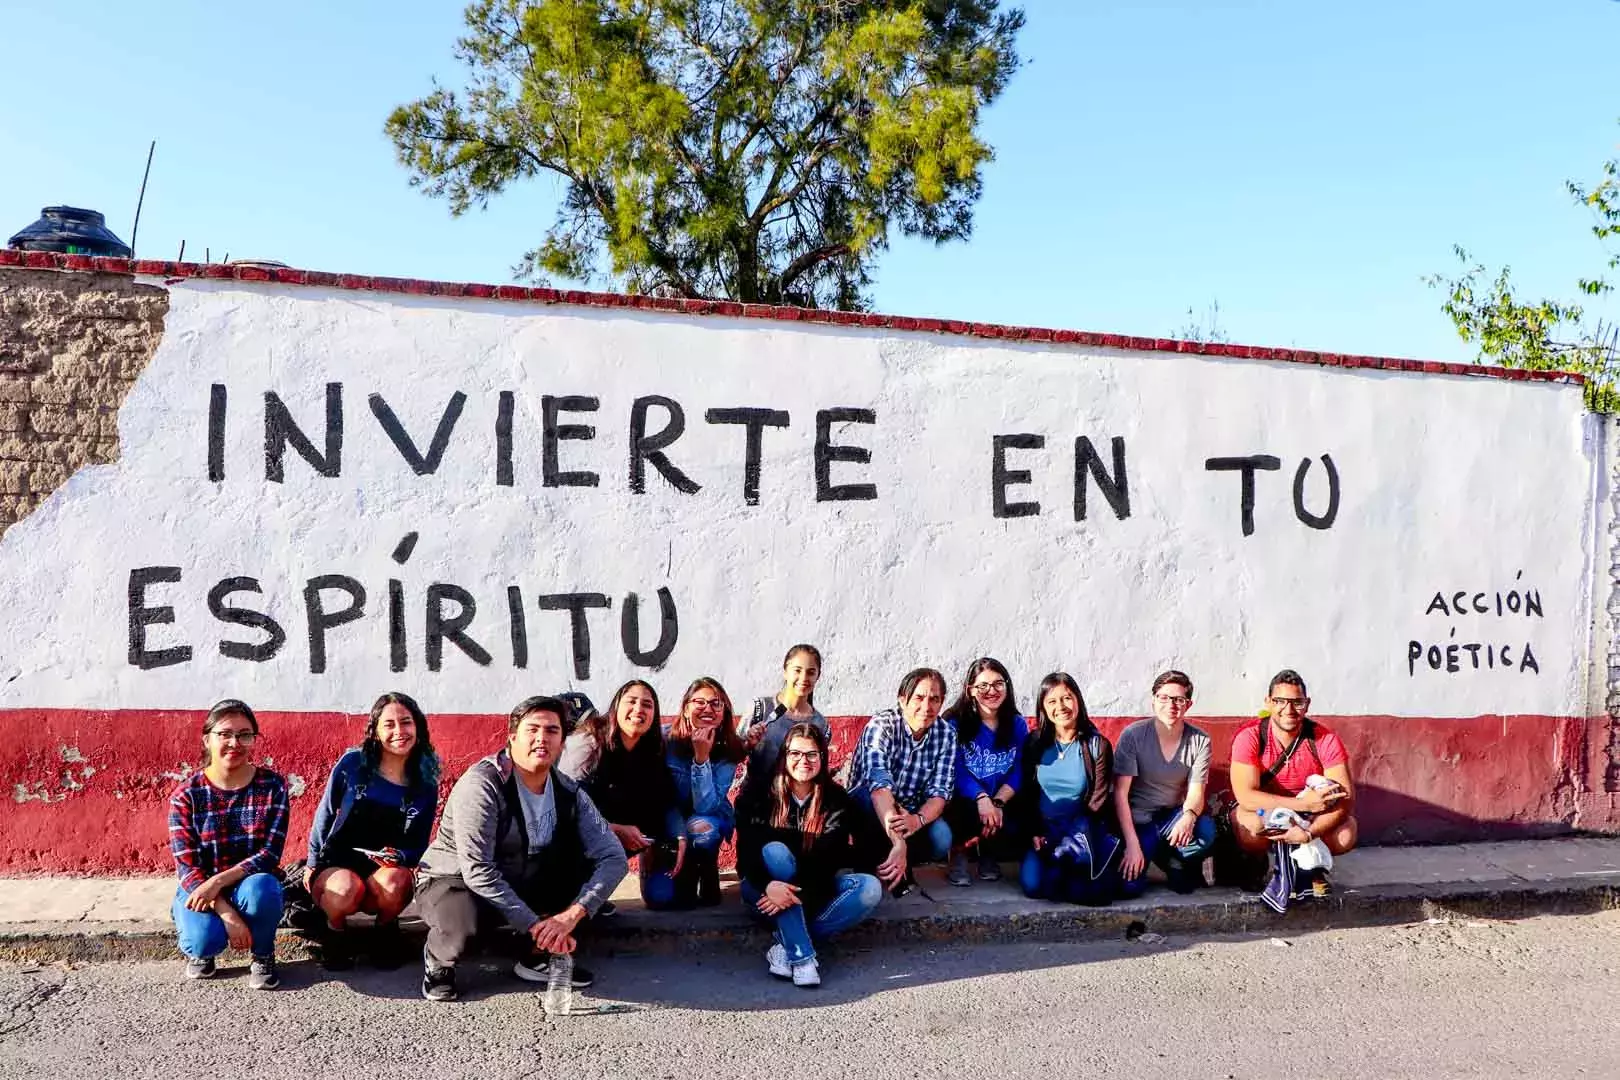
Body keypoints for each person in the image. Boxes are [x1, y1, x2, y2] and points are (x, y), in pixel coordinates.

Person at [416, 695, 628, 1002]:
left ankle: (535, 957)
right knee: (465, 925)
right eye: (533, 730)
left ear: (562, 741)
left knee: (580, 866)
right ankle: (438, 959)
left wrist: (571, 915)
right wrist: (535, 925)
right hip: (453, 880)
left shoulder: (568, 791)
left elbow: (614, 857)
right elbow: (478, 871)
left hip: (518, 873)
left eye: (552, 731)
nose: (542, 738)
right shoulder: (483, 784)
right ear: (512, 737)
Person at [735, 723, 883, 987]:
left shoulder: (836, 799)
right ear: (784, 756)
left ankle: (786, 944)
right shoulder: (759, 794)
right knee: (775, 852)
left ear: (822, 757)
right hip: (761, 889)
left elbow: (827, 862)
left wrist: (790, 895)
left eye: (812, 754)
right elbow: (746, 854)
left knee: (869, 888)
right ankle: (803, 958)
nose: (804, 760)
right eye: (795, 754)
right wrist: (769, 886)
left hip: (815, 888)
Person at [303, 691, 440, 969]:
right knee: (344, 888)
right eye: (389, 724)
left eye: (406, 722)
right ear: (375, 731)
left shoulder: (426, 782)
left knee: (398, 882)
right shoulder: (352, 764)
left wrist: (399, 856)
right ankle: (335, 932)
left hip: (383, 870)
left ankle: (385, 931)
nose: (399, 731)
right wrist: (312, 863)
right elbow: (325, 813)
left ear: (418, 727)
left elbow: (419, 843)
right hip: (337, 865)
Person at [167, 699, 289, 989]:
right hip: (199, 884)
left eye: (245, 734)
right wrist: (225, 910)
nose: (235, 743)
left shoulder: (273, 786)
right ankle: (196, 933)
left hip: (249, 882)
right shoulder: (185, 796)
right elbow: (187, 866)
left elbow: (269, 854)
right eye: (225, 734)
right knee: (202, 942)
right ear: (207, 740)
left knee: (265, 888)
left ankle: (262, 953)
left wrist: (218, 882)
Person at [1229, 669, 1356, 907]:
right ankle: (1259, 861)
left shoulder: (1324, 738)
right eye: (1280, 701)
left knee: (1345, 833)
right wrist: (1303, 804)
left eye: (1297, 702)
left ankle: (1311, 865)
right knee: (1252, 827)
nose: (1288, 710)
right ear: (1268, 702)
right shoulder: (1251, 737)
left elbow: (1345, 799)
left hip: (1310, 816)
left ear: (1306, 704)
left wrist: (1309, 833)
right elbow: (1246, 797)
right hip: (1267, 810)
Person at [560, 680, 688, 909]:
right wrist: (613, 828)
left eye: (647, 705)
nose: (639, 709)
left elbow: (667, 799)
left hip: (615, 834)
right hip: (572, 837)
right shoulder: (588, 743)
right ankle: (576, 894)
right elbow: (563, 806)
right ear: (616, 707)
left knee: (662, 898)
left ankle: (645, 868)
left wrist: (680, 836)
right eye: (632, 701)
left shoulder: (652, 749)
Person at [845, 667, 956, 897]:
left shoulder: (946, 734)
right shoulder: (882, 726)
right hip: (873, 806)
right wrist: (899, 841)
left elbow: (940, 793)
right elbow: (878, 787)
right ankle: (876, 865)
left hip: (911, 811)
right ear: (903, 699)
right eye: (919, 697)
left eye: (934, 699)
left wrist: (916, 821)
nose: (926, 707)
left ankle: (893, 864)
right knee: (866, 800)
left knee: (942, 838)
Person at [1014, 673, 1121, 905]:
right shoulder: (1035, 743)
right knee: (1033, 886)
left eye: (1067, 698)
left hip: (1080, 831)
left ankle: (1071, 874)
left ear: (1078, 701)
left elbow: (1098, 800)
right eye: (1052, 701)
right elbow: (1028, 793)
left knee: (1068, 879)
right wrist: (1035, 830)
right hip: (1045, 830)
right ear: (1043, 707)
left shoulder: (1097, 745)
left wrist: (1072, 833)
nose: (1061, 707)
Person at [1114, 670, 1216, 897]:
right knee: (1128, 888)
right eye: (1164, 697)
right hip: (1139, 822)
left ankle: (1175, 858)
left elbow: (1196, 791)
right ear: (1153, 701)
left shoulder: (1199, 740)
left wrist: (1188, 817)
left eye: (1179, 699)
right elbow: (1120, 795)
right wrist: (1132, 845)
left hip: (1172, 818)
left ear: (1188, 704)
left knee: (1206, 831)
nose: (1171, 705)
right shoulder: (1133, 736)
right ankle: (1159, 855)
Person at [941, 657, 1028, 887]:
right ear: (970, 690)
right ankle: (959, 852)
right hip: (966, 798)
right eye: (983, 686)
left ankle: (989, 851)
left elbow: (1019, 768)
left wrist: (997, 801)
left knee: (1020, 808)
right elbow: (955, 768)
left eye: (998, 683)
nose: (992, 690)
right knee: (959, 805)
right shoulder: (954, 723)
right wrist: (981, 798)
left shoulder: (1017, 724)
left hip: (1000, 796)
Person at [664, 677, 745, 907]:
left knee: (701, 827)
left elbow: (705, 807)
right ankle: (692, 870)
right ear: (686, 707)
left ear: (724, 712)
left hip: (709, 819)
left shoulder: (729, 747)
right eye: (699, 702)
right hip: (671, 821)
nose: (707, 709)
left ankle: (706, 865)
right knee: (658, 896)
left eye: (715, 703)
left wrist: (702, 760)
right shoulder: (665, 739)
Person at [739, 644, 829, 798]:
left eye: (811, 672)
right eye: (797, 670)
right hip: (755, 802)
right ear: (785, 672)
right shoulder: (760, 709)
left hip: (795, 807)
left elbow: (816, 773)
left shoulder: (820, 724)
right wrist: (748, 743)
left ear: (818, 676)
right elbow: (732, 755)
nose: (804, 678)